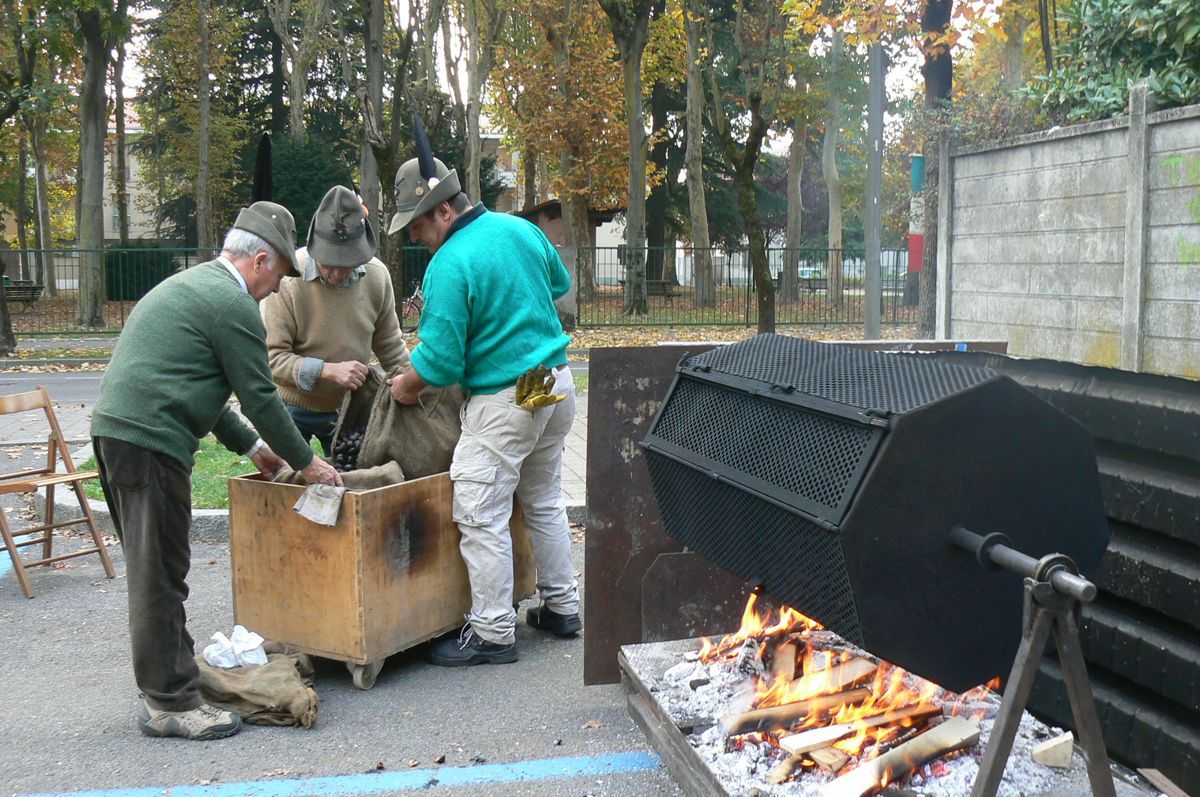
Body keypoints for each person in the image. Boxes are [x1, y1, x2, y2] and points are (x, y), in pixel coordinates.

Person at [91, 201, 344, 741]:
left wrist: (254, 448)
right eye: (278, 276)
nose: (278, 289)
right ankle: (170, 703)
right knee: (159, 575)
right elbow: (261, 395)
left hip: (124, 434)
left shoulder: (197, 285)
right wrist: (308, 462)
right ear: (258, 261)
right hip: (149, 443)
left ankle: (174, 677)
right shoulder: (232, 305)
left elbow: (202, 391)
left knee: (156, 567)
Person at [387, 144, 582, 667]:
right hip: (553, 379)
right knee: (542, 497)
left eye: (417, 228)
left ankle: (493, 631)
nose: (416, 239)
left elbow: (442, 363)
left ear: (443, 211)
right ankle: (563, 606)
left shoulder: (450, 262)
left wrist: (407, 386)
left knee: (479, 509)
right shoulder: (519, 229)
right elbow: (558, 284)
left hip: (505, 396)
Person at [262, 185, 410, 455]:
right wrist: (328, 371)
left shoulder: (377, 276)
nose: (339, 273)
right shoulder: (286, 280)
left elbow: (390, 344)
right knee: (284, 487)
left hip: (350, 408)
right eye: (329, 263)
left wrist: (414, 383)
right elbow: (271, 358)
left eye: (349, 263)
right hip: (292, 407)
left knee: (353, 486)